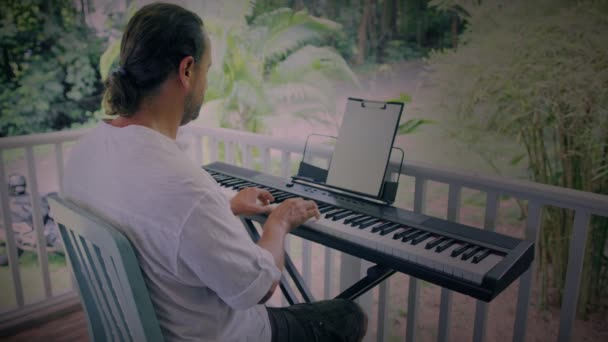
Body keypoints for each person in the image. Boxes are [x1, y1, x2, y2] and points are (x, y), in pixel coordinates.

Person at [63, 3, 367, 342]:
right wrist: (280, 221)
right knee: (347, 314)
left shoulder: (85, 152)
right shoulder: (183, 185)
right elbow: (259, 288)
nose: (206, 84)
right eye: (208, 69)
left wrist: (227, 208)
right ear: (187, 70)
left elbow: (155, 223)